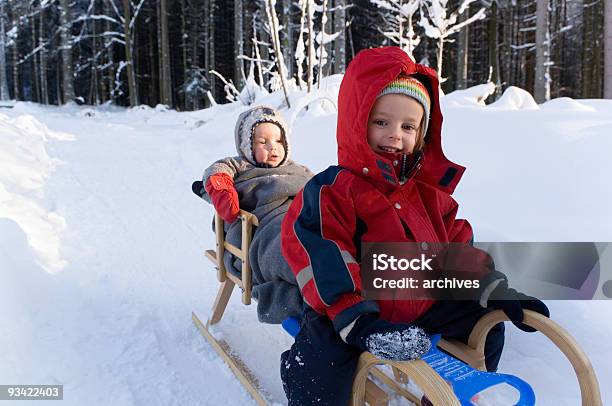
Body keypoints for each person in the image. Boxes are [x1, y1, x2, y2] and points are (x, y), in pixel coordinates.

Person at [279, 46, 550, 405]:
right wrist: (357, 319)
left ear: (422, 133)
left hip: (422, 305)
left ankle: (449, 395)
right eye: (381, 122)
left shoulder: (428, 195)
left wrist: (493, 288)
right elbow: (322, 252)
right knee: (323, 362)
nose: (395, 134)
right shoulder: (334, 190)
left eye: (408, 126)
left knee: (486, 322)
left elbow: (456, 252)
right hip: (357, 310)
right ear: (355, 123)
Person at [195, 105, 313, 324]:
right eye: (262, 142)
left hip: (302, 217)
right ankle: (317, 287)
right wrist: (223, 192)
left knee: (330, 236)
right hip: (267, 226)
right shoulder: (238, 165)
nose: (272, 147)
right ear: (247, 145)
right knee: (293, 247)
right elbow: (216, 174)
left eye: (279, 140)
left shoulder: (298, 169)